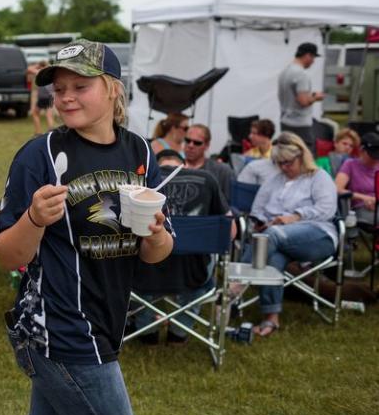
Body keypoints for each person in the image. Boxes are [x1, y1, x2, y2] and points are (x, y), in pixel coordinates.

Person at [0, 39, 172, 415]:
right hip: (60, 329)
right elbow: (7, 256)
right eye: (58, 88)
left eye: (79, 86)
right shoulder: (39, 154)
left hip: (105, 322)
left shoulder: (139, 151)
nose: (65, 97)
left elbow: (155, 254)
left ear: (111, 90)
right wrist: (34, 219)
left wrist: (157, 234)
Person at [238, 132, 337, 338]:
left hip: (318, 235)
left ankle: (235, 286)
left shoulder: (319, 177)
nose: (283, 167)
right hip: (277, 238)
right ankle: (271, 318)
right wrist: (259, 222)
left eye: (287, 163)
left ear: (301, 156)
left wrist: (295, 217)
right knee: (272, 256)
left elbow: (327, 209)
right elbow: (258, 209)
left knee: (271, 236)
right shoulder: (275, 180)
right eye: (278, 163)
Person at [133, 149, 233, 344]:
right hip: (193, 275)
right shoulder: (206, 179)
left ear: (156, 166)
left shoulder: (138, 183)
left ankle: (146, 331)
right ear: (184, 165)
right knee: (202, 261)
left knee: (139, 259)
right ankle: (179, 333)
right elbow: (231, 230)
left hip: (143, 275)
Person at [278, 42, 325, 149]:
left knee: (287, 155)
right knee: (305, 158)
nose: (313, 61)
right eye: (313, 57)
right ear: (307, 55)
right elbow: (303, 101)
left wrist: (310, 96)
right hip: (300, 124)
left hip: (285, 121)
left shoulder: (285, 72)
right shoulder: (301, 74)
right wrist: (316, 97)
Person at [335, 132, 379, 225]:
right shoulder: (350, 164)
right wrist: (363, 197)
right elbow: (337, 189)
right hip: (361, 208)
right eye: (372, 156)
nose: (375, 160)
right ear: (361, 151)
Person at [183, 124, 235, 203]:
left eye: (197, 143)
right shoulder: (173, 168)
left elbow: (230, 204)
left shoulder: (222, 171)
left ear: (207, 145)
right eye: (187, 140)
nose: (190, 145)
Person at [29, 60, 55, 133]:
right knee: (49, 115)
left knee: (35, 113)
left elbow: (29, 69)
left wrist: (36, 65)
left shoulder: (40, 72)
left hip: (44, 97)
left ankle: (38, 132)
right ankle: (50, 131)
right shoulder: (51, 73)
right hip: (50, 96)